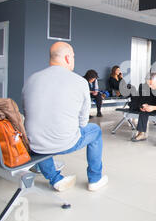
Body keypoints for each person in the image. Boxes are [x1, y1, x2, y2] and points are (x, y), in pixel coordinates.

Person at [22, 42, 108, 192]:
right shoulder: (80, 82)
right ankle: (95, 179)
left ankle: (55, 179)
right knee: (95, 131)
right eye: (73, 56)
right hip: (65, 142)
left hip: (34, 143)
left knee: (37, 137)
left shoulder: (31, 79)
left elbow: (29, 113)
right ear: (68, 58)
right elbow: (83, 122)